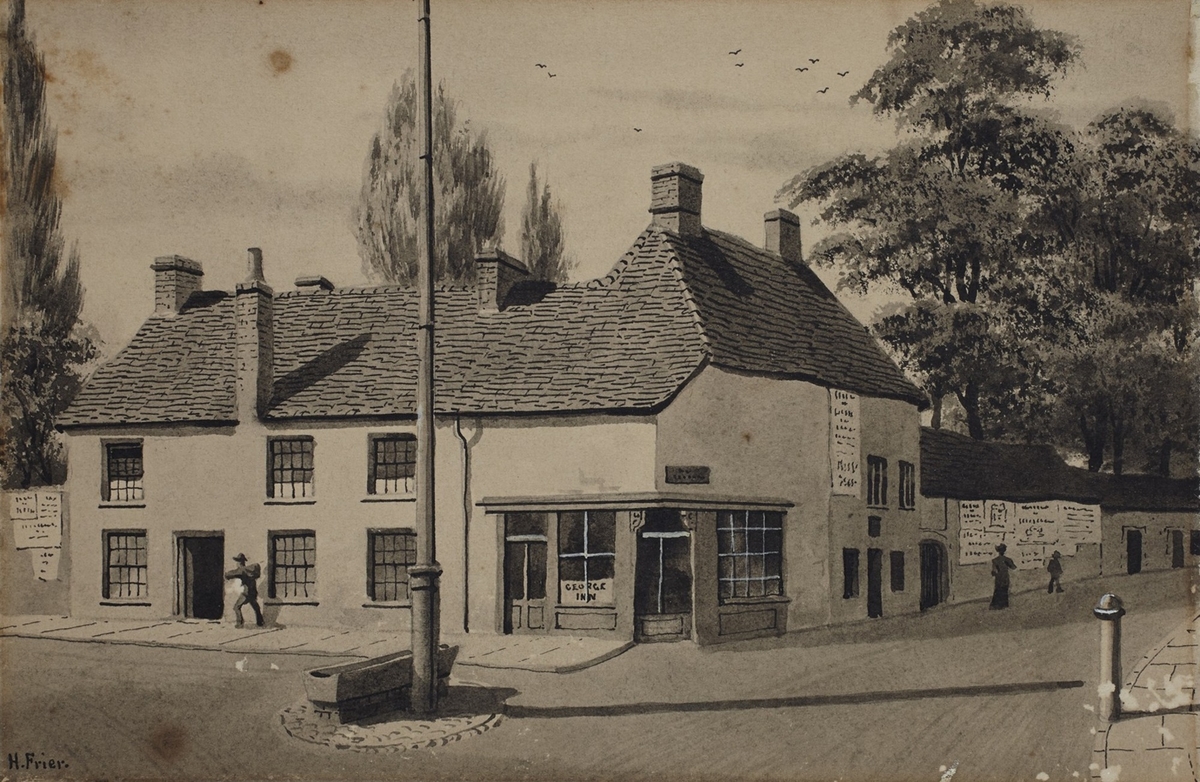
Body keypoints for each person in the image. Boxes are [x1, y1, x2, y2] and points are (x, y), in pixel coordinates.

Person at [224, 553, 264, 628]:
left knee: (236, 607)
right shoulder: (250, 570)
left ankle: (240, 623)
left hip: (246, 593)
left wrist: (225, 575)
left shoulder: (241, 570)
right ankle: (260, 622)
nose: (237, 563)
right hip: (253, 592)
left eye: (237, 562)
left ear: (239, 562)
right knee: (256, 607)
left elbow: (230, 574)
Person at [989, 544, 1017, 609]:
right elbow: (1013, 567)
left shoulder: (995, 560)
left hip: (998, 577)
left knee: (998, 590)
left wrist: (994, 573)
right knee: (1004, 590)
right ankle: (1004, 604)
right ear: (1004, 551)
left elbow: (993, 571)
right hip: (1005, 577)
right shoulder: (1007, 559)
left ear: (998, 551)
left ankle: (996, 605)